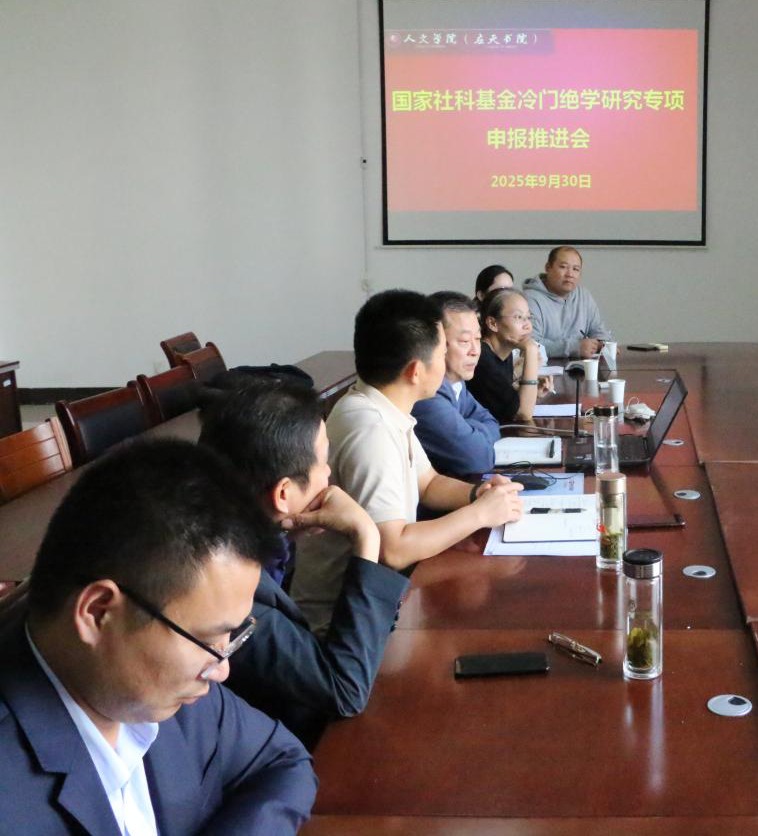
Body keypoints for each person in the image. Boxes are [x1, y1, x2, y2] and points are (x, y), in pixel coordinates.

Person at [0, 440, 317, 834]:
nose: (221, 669)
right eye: (208, 640)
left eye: (231, 636)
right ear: (98, 613)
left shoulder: (162, 687)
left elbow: (283, 760)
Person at [290, 289, 524, 634]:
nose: (446, 363)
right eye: (442, 354)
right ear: (416, 371)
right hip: (344, 627)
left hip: (386, 604)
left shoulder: (384, 406)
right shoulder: (370, 427)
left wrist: (480, 494)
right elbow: (393, 548)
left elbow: (428, 483)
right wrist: (480, 515)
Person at [198, 380, 409, 746]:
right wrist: (366, 536)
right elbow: (344, 691)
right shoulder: (228, 589)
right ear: (283, 494)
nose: (328, 475)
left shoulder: (246, 537)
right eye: (323, 461)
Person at [413, 291, 502, 477]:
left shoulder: (456, 383)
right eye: (464, 341)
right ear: (436, 344)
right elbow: (477, 458)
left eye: (477, 339)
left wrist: (468, 429)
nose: (475, 351)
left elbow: (491, 422)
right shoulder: (427, 394)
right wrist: (470, 431)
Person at [468, 287, 543, 424]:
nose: (527, 326)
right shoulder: (482, 359)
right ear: (493, 323)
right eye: (518, 317)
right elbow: (523, 413)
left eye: (528, 317)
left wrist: (532, 392)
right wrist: (531, 350)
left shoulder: (503, 352)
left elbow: (507, 398)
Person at [522, 246, 612, 359]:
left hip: (580, 366)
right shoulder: (529, 299)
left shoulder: (583, 296)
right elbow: (529, 343)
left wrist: (603, 343)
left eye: (576, 269)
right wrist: (573, 347)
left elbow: (598, 330)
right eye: (563, 267)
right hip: (543, 368)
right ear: (548, 268)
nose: (570, 274)